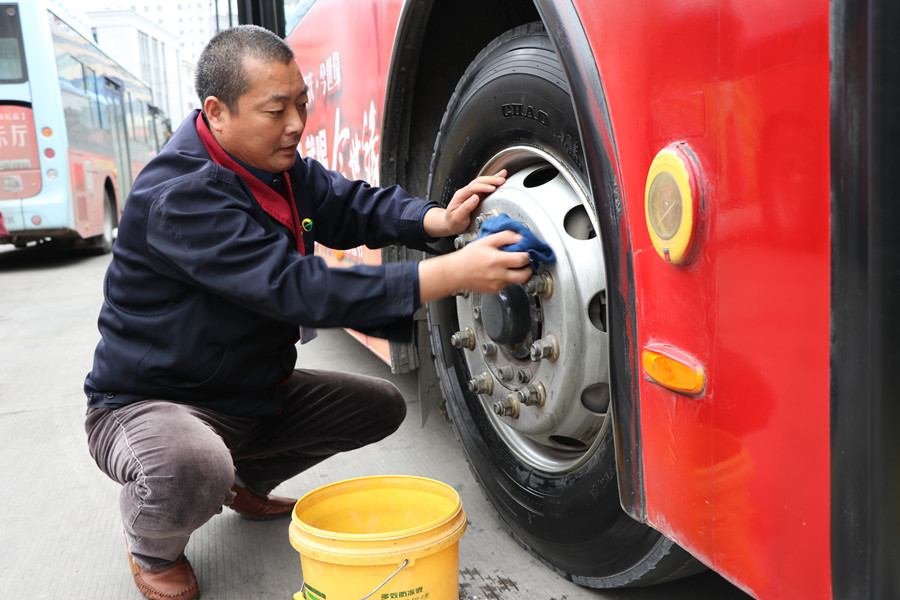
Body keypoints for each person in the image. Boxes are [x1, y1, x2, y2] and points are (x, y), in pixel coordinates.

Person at [82, 24, 530, 600]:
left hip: (245, 394)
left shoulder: (276, 167)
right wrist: (452, 273)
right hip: (150, 404)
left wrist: (434, 220)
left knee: (379, 406)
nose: (296, 124)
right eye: (276, 110)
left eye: (302, 104)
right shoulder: (180, 196)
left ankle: (243, 481)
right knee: (191, 466)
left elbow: (350, 204)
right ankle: (152, 542)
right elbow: (295, 288)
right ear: (217, 112)